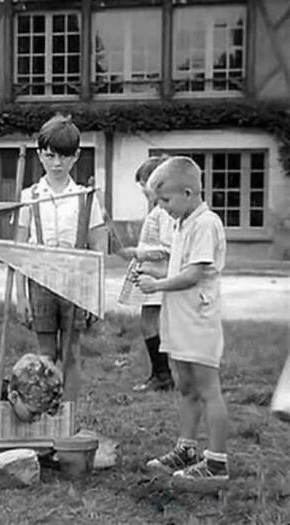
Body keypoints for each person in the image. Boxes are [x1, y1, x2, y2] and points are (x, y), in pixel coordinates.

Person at [138, 156, 229, 484]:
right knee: (186, 386)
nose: (162, 208)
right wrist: (152, 271)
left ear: (189, 192)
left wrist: (157, 285)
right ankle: (186, 448)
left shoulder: (205, 223)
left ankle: (217, 463)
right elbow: (179, 269)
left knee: (208, 389)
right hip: (179, 320)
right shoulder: (182, 223)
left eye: (165, 200)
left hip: (199, 321)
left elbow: (192, 275)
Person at [15, 114, 105, 400]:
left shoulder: (85, 197)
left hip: (75, 282)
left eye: (64, 157)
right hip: (40, 282)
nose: (57, 164)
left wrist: (94, 295)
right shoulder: (29, 196)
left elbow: (98, 250)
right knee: (46, 354)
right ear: (40, 155)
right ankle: (45, 409)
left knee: (71, 352)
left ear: (76, 156)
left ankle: (69, 412)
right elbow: (19, 251)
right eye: (50, 155)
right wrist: (20, 296)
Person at [117, 156, 175, 392]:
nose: (142, 190)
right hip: (151, 274)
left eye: (144, 184)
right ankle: (160, 372)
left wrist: (138, 252)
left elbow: (167, 249)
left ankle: (163, 374)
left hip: (159, 276)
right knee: (148, 323)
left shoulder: (165, 212)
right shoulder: (157, 211)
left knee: (151, 323)